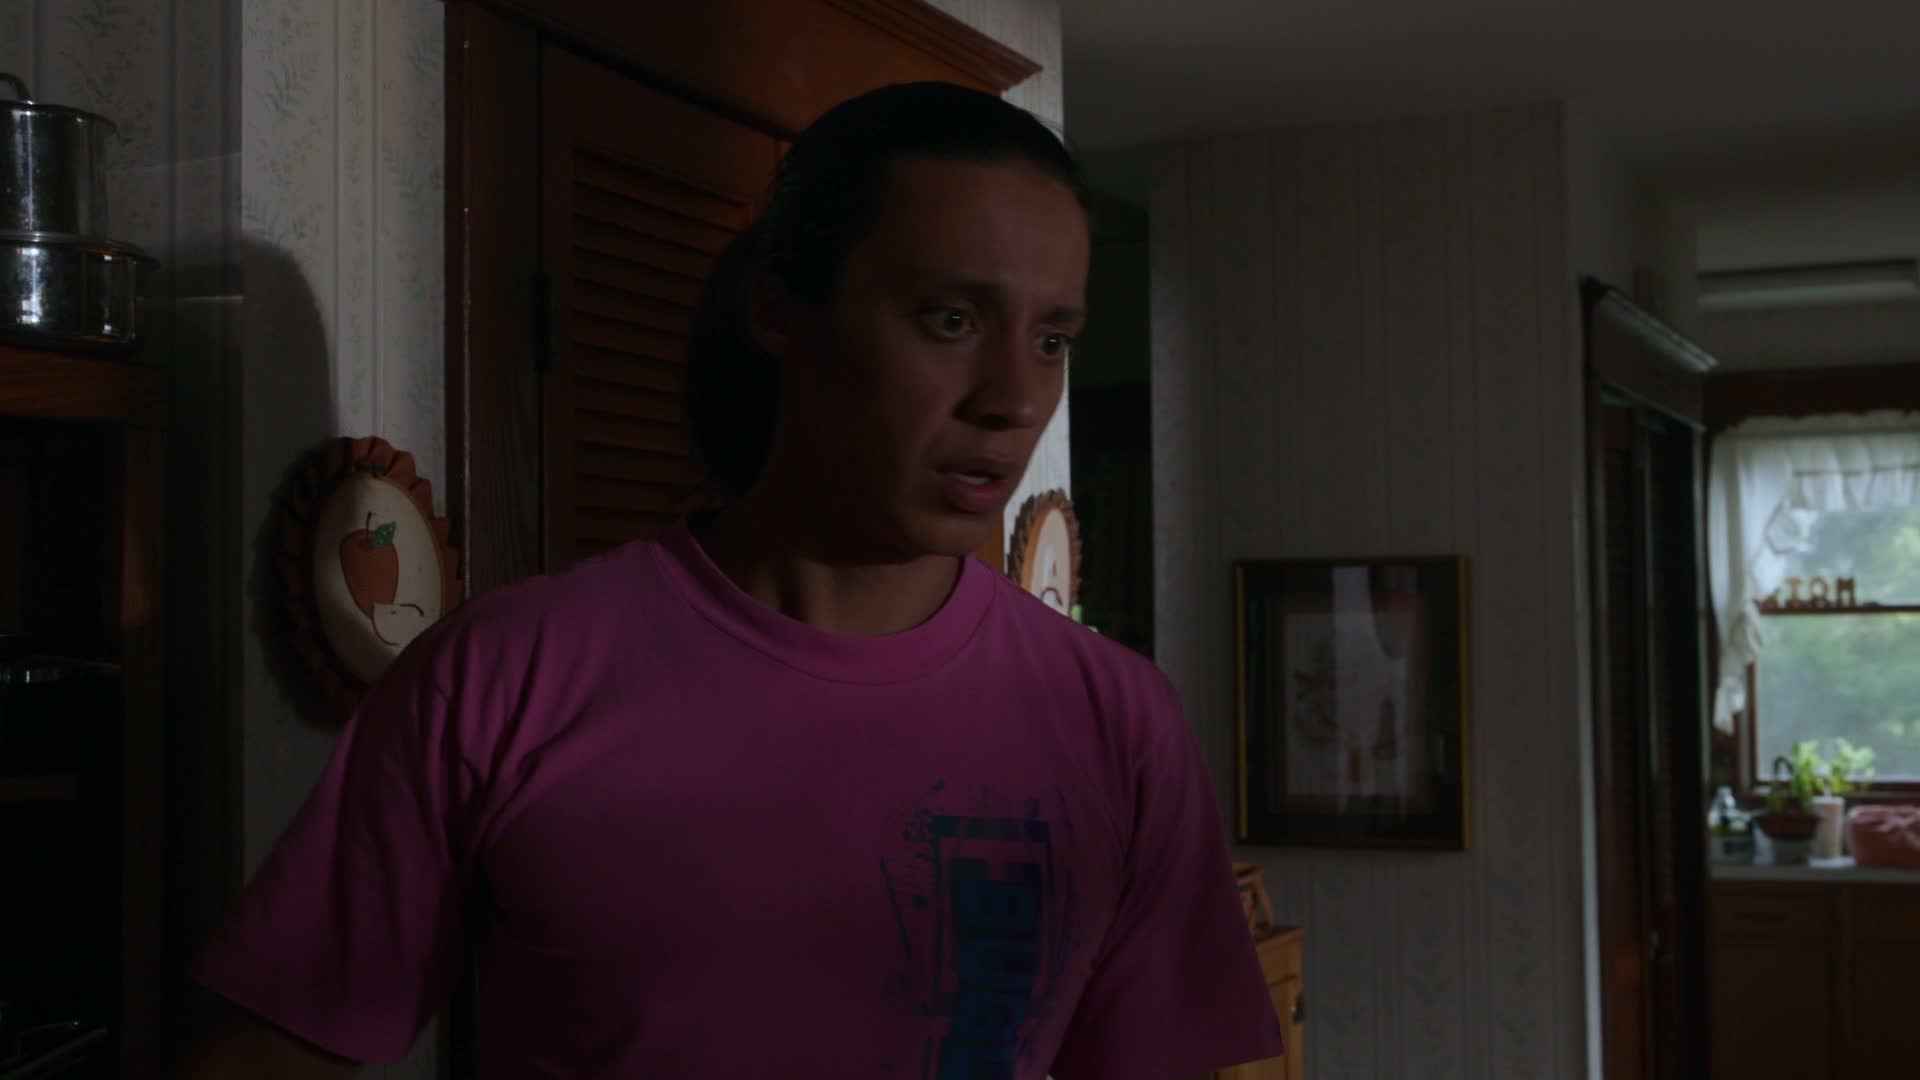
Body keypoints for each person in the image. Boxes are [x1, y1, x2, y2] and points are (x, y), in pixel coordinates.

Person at [184, 81, 1284, 1079]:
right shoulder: (505, 677)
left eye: (1051, 340)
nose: (1013, 398)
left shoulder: (1117, 724)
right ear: (780, 312)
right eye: (951, 320)